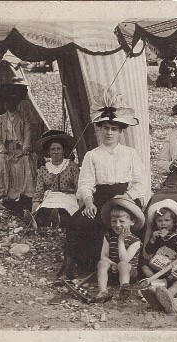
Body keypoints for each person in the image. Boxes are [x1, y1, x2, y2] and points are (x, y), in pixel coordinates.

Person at [61, 93, 147, 280]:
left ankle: (129, 268)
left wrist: (127, 197)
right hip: (99, 198)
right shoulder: (92, 155)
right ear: (98, 130)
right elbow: (86, 183)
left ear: (120, 132)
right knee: (78, 222)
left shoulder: (129, 153)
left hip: (125, 198)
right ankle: (71, 266)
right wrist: (88, 202)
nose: (109, 133)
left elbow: (140, 182)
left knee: (130, 224)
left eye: (114, 129)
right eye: (105, 128)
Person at [0, 77, 36, 204]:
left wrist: (25, 147)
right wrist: (1, 148)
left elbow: (28, 133)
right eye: (7, 103)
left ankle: (24, 192)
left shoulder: (23, 117)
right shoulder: (0, 119)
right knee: (0, 159)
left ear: (16, 103)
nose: (9, 105)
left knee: (25, 160)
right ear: (4, 104)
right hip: (6, 147)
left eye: (12, 102)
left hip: (20, 148)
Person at [93, 197, 145, 303]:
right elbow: (103, 255)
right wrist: (112, 264)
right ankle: (103, 291)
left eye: (121, 221)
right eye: (114, 221)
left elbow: (124, 259)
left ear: (132, 222)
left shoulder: (135, 240)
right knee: (102, 263)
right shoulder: (108, 236)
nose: (117, 225)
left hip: (129, 273)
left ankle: (124, 289)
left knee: (122, 264)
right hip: (112, 271)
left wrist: (121, 241)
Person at [24, 130, 79, 229]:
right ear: (48, 152)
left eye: (59, 148)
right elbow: (39, 192)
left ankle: (56, 222)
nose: (56, 152)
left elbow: (79, 187)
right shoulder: (43, 169)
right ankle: (36, 221)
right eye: (53, 149)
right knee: (43, 211)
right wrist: (34, 210)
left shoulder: (72, 166)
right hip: (50, 198)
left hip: (67, 198)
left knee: (64, 212)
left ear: (63, 150)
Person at [140, 199, 177, 279]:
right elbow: (149, 251)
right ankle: (151, 278)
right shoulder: (157, 235)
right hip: (157, 262)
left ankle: (164, 279)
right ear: (155, 222)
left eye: (167, 220)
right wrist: (152, 239)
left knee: (173, 274)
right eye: (159, 221)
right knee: (143, 264)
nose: (163, 223)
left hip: (172, 264)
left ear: (174, 221)